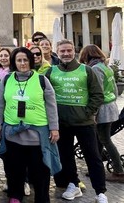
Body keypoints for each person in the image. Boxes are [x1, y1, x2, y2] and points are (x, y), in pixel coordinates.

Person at [45, 39, 108, 203]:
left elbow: (98, 95)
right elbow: (43, 95)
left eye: (69, 50)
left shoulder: (86, 70)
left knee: (93, 157)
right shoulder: (51, 72)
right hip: (61, 124)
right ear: (57, 52)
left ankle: (100, 191)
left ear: (75, 51)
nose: (66, 54)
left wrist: (87, 112)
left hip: (84, 123)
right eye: (62, 51)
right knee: (66, 157)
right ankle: (73, 184)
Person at [0, 47, 61, 203]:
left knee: (40, 171)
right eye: (19, 60)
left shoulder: (41, 80)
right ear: (14, 62)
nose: (22, 63)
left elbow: (51, 105)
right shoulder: (6, 79)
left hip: (37, 135)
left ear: (31, 61)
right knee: (14, 169)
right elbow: (0, 103)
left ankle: (42, 199)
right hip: (13, 134)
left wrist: (54, 127)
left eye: (25, 60)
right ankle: (15, 196)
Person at [79, 44, 124, 182]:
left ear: (86, 55)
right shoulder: (107, 67)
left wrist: (93, 113)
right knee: (100, 138)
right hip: (110, 106)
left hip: (103, 109)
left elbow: (96, 92)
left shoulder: (95, 69)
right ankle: (96, 168)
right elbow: (115, 90)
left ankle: (119, 171)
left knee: (105, 139)